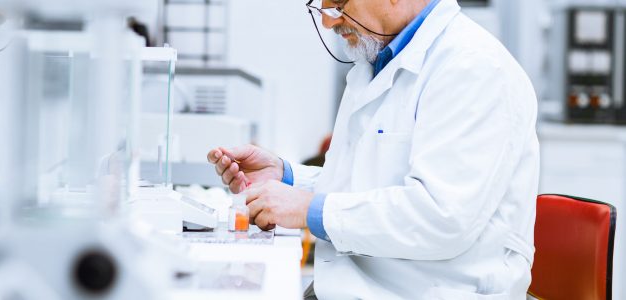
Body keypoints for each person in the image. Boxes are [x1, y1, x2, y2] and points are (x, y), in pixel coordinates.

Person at [207, 0, 539, 298]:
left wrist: (309, 209)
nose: (328, 21)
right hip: (353, 284)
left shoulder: (473, 68)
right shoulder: (376, 63)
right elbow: (368, 185)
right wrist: (287, 178)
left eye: (339, 3)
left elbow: (441, 218)